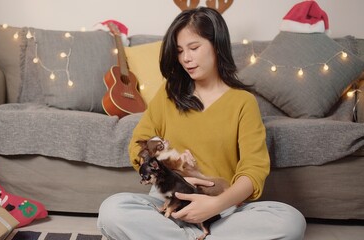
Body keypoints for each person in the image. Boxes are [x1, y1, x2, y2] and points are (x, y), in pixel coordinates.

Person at [97, 7, 306, 240]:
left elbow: (254, 169)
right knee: (112, 210)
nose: (186, 58)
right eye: (179, 51)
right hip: (169, 203)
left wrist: (214, 205)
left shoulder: (243, 102)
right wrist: (177, 180)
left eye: (194, 48)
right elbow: (139, 145)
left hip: (222, 212)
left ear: (217, 45)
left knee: (290, 221)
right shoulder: (169, 94)